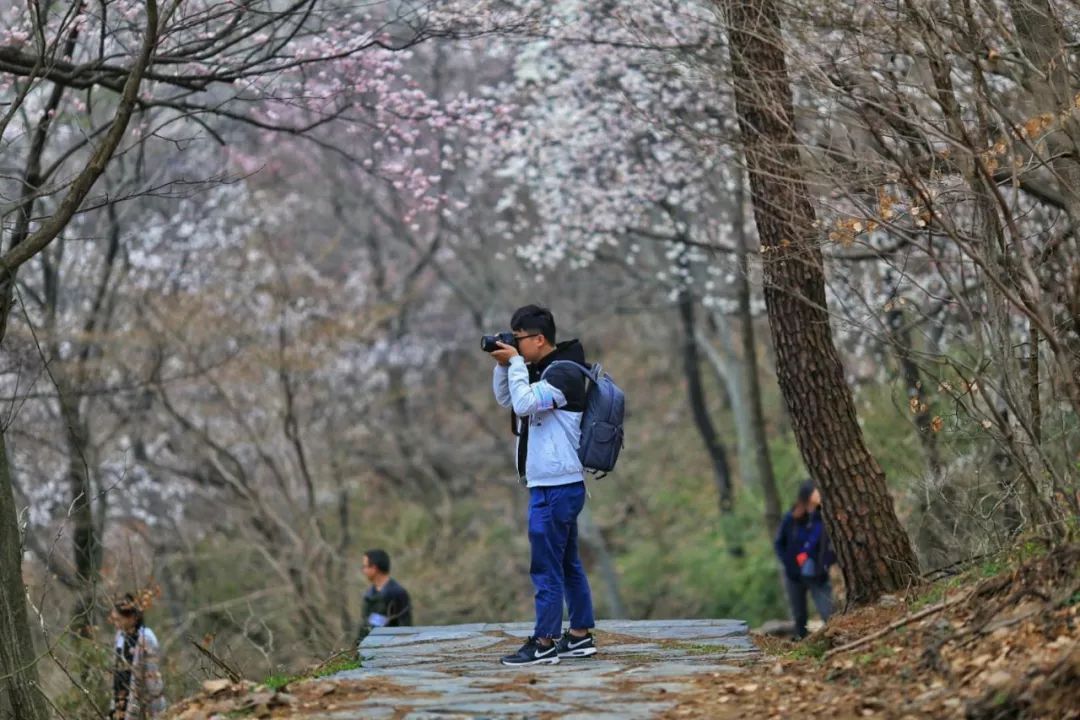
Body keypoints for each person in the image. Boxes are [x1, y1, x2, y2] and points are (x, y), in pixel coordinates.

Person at [490, 304, 597, 666]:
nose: (515, 345)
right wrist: (505, 364)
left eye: (518, 340)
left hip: (556, 486)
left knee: (545, 567)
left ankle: (545, 642)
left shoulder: (564, 373)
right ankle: (580, 635)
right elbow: (506, 398)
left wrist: (516, 365)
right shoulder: (542, 368)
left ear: (538, 339)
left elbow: (522, 404)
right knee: (566, 563)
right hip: (553, 484)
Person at [774, 480, 836, 638]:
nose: (820, 494)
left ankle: (833, 640)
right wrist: (789, 564)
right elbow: (779, 543)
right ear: (808, 495)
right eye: (817, 491)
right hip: (795, 575)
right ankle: (800, 646)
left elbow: (831, 544)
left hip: (818, 574)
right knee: (799, 615)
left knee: (828, 612)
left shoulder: (824, 516)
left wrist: (828, 562)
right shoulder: (792, 518)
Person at [110, 594, 166, 720]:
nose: (116, 624)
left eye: (119, 620)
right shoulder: (120, 636)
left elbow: (152, 679)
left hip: (141, 700)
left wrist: (154, 709)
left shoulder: (146, 638)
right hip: (121, 699)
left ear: (133, 618)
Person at [356, 549, 413, 646]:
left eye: (365, 566)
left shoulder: (398, 593)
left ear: (374, 568)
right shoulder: (369, 594)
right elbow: (365, 625)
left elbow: (405, 627)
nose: (363, 570)